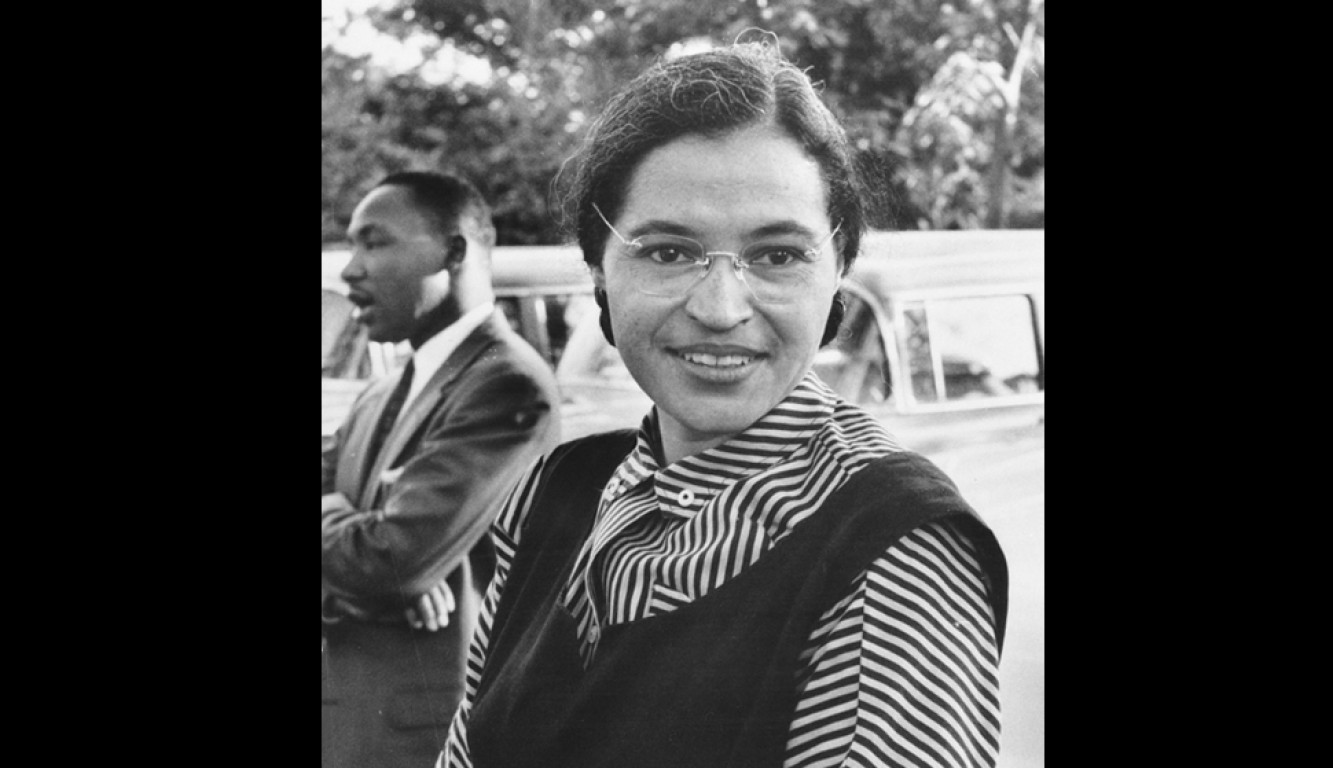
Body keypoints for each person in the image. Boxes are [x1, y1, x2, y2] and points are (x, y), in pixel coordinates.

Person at [439, 37, 1008, 768]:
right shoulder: (557, 493)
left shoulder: (891, 549)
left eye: (778, 256)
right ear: (598, 269)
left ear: (838, 270)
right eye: (668, 251)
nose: (719, 308)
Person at [320, 170, 561, 768]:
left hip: (427, 742)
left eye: (374, 242)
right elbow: (383, 564)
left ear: (454, 252)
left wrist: (373, 551)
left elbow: (389, 563)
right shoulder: (381, 390)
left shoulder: (507, 386)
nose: (351, 270)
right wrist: (356, 536)